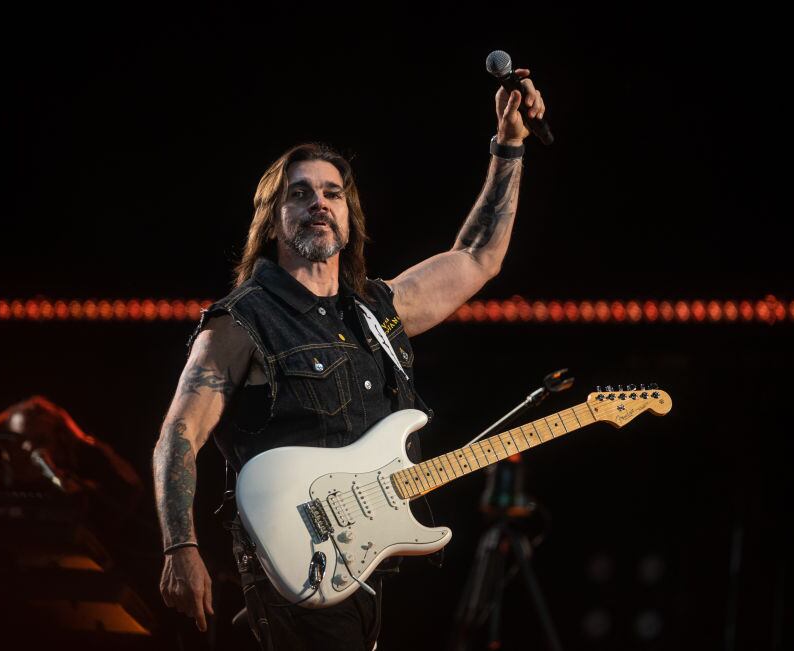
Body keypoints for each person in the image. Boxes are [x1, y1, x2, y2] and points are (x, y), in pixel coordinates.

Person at [153, 71, 545, 650]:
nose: (319, 204)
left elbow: (479, 256)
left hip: (363, 573)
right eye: (300, 193)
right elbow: (178, 436)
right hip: (291, 579)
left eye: (332, 192)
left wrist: (509, 145)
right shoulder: (243, 321)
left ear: (349, 212)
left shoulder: (378, 309)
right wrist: (179, 546)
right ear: (273, 218)